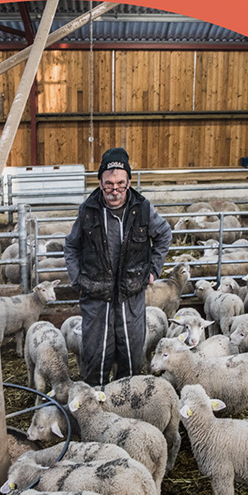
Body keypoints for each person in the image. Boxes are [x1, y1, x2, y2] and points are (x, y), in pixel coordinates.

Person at [65, 148, 171, 385]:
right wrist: (76, 279)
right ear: (100, 183)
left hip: (130, 293)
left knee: (131, 353)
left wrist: (154, 269)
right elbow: (71, 245)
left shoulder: (142, 208)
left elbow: (164, 234)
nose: (115, 190)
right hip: (96, 293)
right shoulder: (88, 211)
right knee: (96, 353)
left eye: (121, 184)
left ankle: (125, 398)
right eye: (109, 184)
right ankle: (96, 397)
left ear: (129, 182)